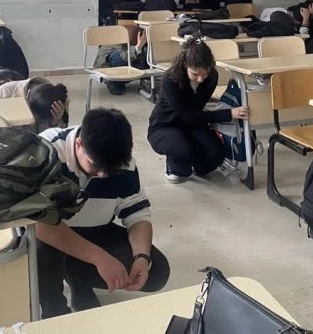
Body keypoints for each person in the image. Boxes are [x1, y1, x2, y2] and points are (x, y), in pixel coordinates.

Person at [36, 108, 170, 317]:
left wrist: (141, 257)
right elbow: (39, 225)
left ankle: (79, 279)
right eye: (96, 165)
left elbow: (138, 213)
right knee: (41, 253)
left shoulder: (121, 160)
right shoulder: (46, 151)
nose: (103, 174)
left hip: (95, 230)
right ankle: (54, 315)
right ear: (78, 144)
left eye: (111, 169)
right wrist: (99, 258)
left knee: (157, 271)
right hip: (52, 236)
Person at [147, 37, 249, 183]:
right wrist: (229, 113)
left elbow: (197, 110)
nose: (200, 79)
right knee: (181, 152)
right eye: (195, 74)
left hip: (194, 123)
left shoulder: (212, 76)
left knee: (216, 154)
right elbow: (188, 115)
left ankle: (194, 164)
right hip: (166, 125)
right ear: (185, 65)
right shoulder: (170, 79)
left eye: (204, 74)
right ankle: (174, 166)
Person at [92, 25, 149, 95]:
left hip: (117, 64)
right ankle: (113, 82)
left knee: (140, 53)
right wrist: (139, 45)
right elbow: (125, 56)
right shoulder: (116, 42)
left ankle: (121, 81)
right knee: (120, 57)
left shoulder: (125, 41)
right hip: (106, 67)